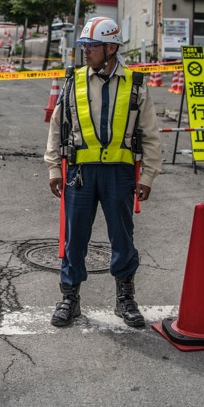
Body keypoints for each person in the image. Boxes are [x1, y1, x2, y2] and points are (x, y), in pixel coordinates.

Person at [44, 16, 162, 329]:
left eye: (92, 45)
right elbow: (57, 126)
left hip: (119, 175)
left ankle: (125, 299)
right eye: (84, 45)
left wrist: (148, 176)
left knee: (123, 238)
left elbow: (150, 133)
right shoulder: (74, 80)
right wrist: (54, 167)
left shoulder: (135, 84)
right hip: (80, 173)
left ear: (111, 48)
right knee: (75, 239)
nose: (86, 51)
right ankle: (70, 299)